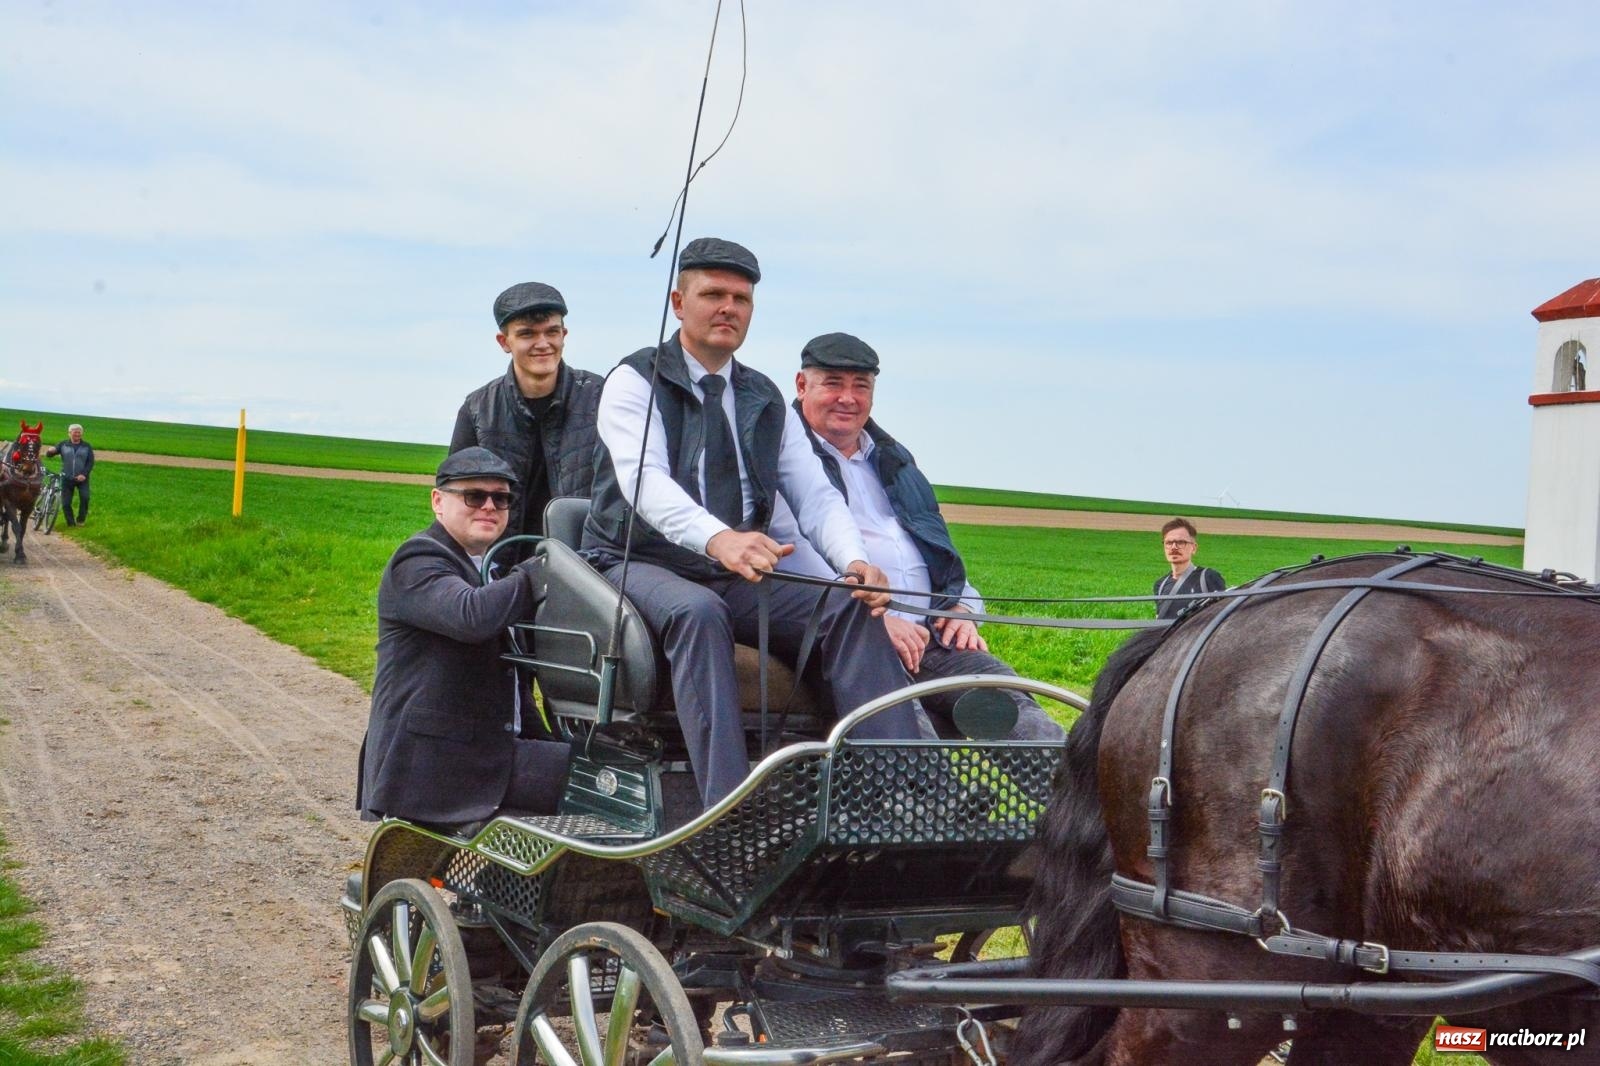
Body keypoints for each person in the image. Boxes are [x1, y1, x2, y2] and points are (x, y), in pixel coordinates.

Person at [581, 237, 932, 809]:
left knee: (846, 605)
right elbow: (645, 483)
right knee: (699, 612)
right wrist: (718, 538)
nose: (728, 308)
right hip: (635, 560)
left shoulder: (762, 397)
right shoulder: (635, 380)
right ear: (678, 303)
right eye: (713, 294)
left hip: (733, 569)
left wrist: (854, 562)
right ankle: (727, 807)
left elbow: (815, 495)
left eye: (741, 299)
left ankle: (900, 794)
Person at [778, 332, 1065, 743]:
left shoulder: (896, 461)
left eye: (861, 386)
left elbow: (935, 551)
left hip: (931, 636)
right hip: (854, 641)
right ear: (802, 385)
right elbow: (793, 556)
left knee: (1013, 712)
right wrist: (871, 621)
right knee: (910, 737)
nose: (848, 398)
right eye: (833, 383)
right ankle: (936, 789)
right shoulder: (785, 462)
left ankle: (1063, 784)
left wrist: (963, 606)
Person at [357, 446, 573, 827]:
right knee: (599, 785)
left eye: (502, 498)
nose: (490, 506)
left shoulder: (490, 570)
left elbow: (510, 683)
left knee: (598, 769)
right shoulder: (418, 558)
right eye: (474, 496)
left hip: (480, 752)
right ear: (438, 502)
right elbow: (472, 617)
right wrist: (544, 567)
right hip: (433, 763)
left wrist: (548, 741)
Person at [450, 282, 602, 542]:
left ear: (564, 334)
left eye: (552, 332)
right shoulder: (477, 410)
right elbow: (456, 497)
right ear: (504, 342)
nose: (543, 344)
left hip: (583, 556)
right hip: (501, 557)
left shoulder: (601, 398)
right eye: (527, 334)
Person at [1153, 517, 1226, 620]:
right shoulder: (1160, 585)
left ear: (1194, 548)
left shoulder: (1208, 577)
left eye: (1181, 542)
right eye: (1169, 543)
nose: (1174, 547)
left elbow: (1222, 617)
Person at [44, 423, 93, 526]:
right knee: (66, 503)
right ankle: (71, 523)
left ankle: (81, 520)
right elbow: (50, 455)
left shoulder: (86, 446)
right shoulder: (63, 444)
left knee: (85, 497)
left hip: (82, 479)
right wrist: (50, 451)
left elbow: (90, 462)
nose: (77, 434)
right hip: (67, 478)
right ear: (69, 433)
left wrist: (84, 474)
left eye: (79, 432)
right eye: (75, 432)